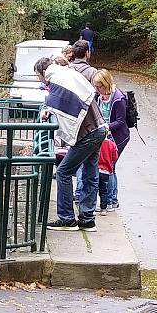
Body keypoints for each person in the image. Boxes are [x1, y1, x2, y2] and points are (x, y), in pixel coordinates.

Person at [34, 57, 107, 232]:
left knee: (63, 171)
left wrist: (48, 110)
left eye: (37, 75)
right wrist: (50, 108)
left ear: (42, 72)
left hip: (88, 133)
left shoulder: (56, 79)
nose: (39, 79)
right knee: (90, 173)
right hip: (99, 128)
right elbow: (65, 102)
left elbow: (58, 102)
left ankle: (67, 219)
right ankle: (87, 220)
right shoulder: (68, 75)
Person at [92, 69, 130, 210]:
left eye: (99, 86)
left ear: (106, 84)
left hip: (117, 138)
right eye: (96, 86)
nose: (97, 89)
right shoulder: (98, 96)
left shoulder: (118, 98)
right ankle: (109, 199)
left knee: (110, 168)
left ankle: (111, 200)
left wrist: (106, 127)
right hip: (104, 136)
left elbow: (120, 121)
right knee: (105, 168)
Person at [69, 40, 99, 202]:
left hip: (72, 121)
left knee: (73, 160)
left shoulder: (67, 71)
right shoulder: (92, 72)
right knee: (91, 166)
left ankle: (77, 193)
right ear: (88, 53)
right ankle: (86, 203)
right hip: (91, 122)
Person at [97, 137, 119, 214]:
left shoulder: (96, 142)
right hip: (106, 171)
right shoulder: (111, 144)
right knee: (104, 191)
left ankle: (92, 208)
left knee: (93, 189)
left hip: (96, 170)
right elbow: (115, 157)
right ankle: (104, 208)